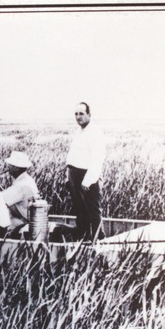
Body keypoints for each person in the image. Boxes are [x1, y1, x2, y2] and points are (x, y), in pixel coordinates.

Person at [65, 102, 106, 241]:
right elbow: (73, 156)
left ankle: (97, 240)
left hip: (87, 176)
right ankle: (83, 239)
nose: (78, 117)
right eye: (76, 114)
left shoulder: (95, 132)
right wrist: (69, 178)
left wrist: (88, 181)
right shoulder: (79, 131)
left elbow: (97, 159)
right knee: (79, 210)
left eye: (81, 113)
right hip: (75, 175)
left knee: (93, 210)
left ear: (89, 115)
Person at [1, 151, 40, 233]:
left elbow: (0, 200)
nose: (8, 167)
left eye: (10, 165)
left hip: (22, 223)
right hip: (28, 219)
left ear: (17, 168)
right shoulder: (26, 179)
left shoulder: (21, 185)